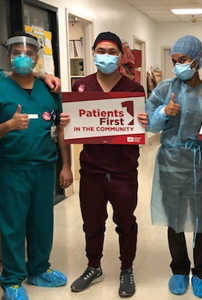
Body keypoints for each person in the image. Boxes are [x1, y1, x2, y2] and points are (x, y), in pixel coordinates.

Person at [138, 35, 202, 298]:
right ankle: (178, 270)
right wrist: (164, 113)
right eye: (174, 61)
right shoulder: (164, 89)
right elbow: (149, 124)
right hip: (171, 166)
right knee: (174, 221)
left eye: (183, 60)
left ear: (197, 60)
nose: (178, 66)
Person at [60, 31, 145, 298]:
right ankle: (93, 266)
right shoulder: (81, 86)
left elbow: (141, 128)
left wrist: (144, 121)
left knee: (125, 221)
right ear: (93, 53)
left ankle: (126, 268)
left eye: (111, 51)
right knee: (92, 223)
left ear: (120, 56)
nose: (105, 56)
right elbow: (74, 125)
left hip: (123, 171)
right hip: (92, 170)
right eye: (101, 51)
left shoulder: (133, 89)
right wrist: (67, 122)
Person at [0, 33, 73, 300]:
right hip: (12, 168)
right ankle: (11, 280)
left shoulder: (49, 89)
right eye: (16, 52)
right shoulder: (1, 85)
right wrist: (8, 126)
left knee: (42, 222)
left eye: (28, 53)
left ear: (36, 57)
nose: (22, 57)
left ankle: (39, 269)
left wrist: (66, 166)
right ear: (8, 55)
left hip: (45, 166)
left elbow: (60, 128)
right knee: (13, 225)